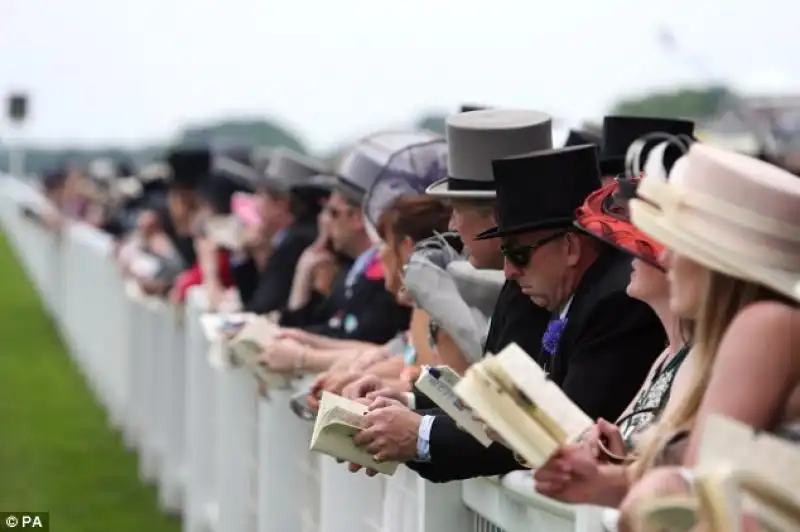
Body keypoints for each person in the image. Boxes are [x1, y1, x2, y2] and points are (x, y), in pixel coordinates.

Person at [608, 142, 800, 532]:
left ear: (717, 263)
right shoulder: (762, 330)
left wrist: (656, 485)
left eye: (677, 243)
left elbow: (696, 499)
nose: (663, 258)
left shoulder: (766, 325)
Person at [531, 176, 694, 505]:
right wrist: (612, 454)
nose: (630, 253)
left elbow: (687, 479)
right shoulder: (665, 356)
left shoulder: (698, 357)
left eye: (644, 243)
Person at [234, 147, 329, 314]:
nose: (256, 203)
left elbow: (262, 307)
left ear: (282, 203)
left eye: (261, 195)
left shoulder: (297, 240)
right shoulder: (291, 236)